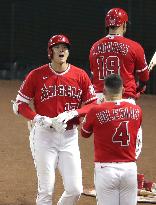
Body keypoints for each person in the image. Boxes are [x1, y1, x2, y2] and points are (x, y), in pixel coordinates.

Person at [12, 34, 97, 205]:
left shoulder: (80, 75)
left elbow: (93, 104)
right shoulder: (36, 75)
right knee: (46, 189)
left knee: (74, 189)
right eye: (57, 47)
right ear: (50, 52)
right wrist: (38, 118)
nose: (62, 50)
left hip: (69, 137)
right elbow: (19, 104)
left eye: (65, 47)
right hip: (44, 137)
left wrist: (74, 113)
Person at [81, 74, 143, 205]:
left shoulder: (95, 111)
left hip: (105, 170)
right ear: (123, 90)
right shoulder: (137, 110)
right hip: (129, 169)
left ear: (104, 91)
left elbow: (84, 133)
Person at [89, 7, 149, 104]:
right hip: (124, 98)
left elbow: (92, 78)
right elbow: (144, 77)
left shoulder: (94, 47)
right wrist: (138, 89)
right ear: (124, 25)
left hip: (100, 99)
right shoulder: (135, 47)